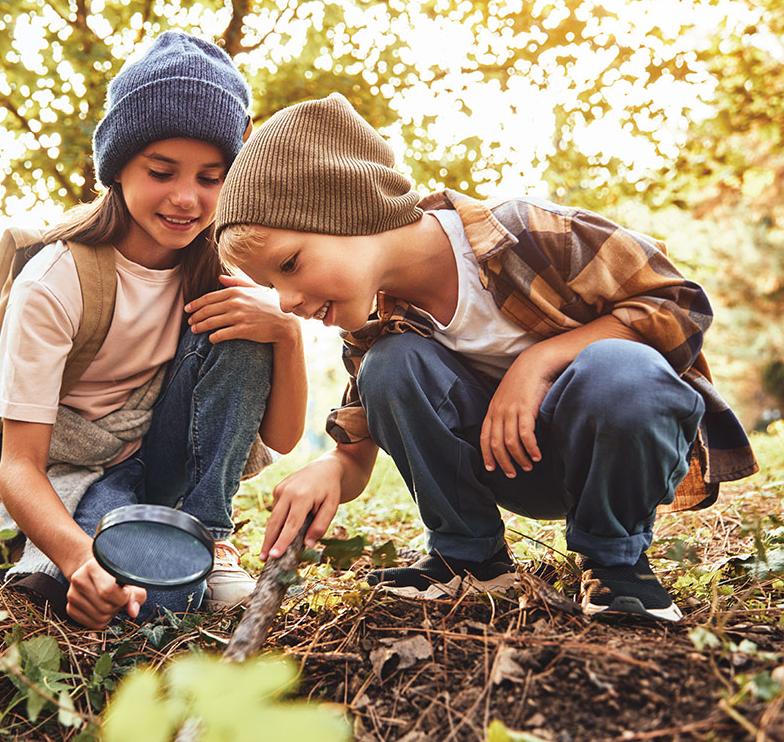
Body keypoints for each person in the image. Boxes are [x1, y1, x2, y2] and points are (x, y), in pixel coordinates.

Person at [212, 93, 758, 623]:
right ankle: (470, 558)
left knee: (622, 369)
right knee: (391, 363)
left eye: (288, 264)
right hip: (513, 469)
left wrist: (537, 362)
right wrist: (330, 469)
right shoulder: (374, 326)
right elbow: (357, 452)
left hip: (614, 450)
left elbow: (678, 305)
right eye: (268, 284)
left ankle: (617, 566)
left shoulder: (529, 234)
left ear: (350, 211)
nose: (285, 301)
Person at [0, 32, 306, 629]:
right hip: (77, 470)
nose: (186, 199)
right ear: (118, 168)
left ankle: (208, 535)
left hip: (164, 456)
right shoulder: (56, 282)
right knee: (139, 604)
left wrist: (285, 332)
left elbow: (284, 438)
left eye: (211, 179)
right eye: (162, 171)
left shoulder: (220, 273)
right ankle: (74, 547)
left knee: (244, 324)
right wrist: (80, 560)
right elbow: (19, 465)